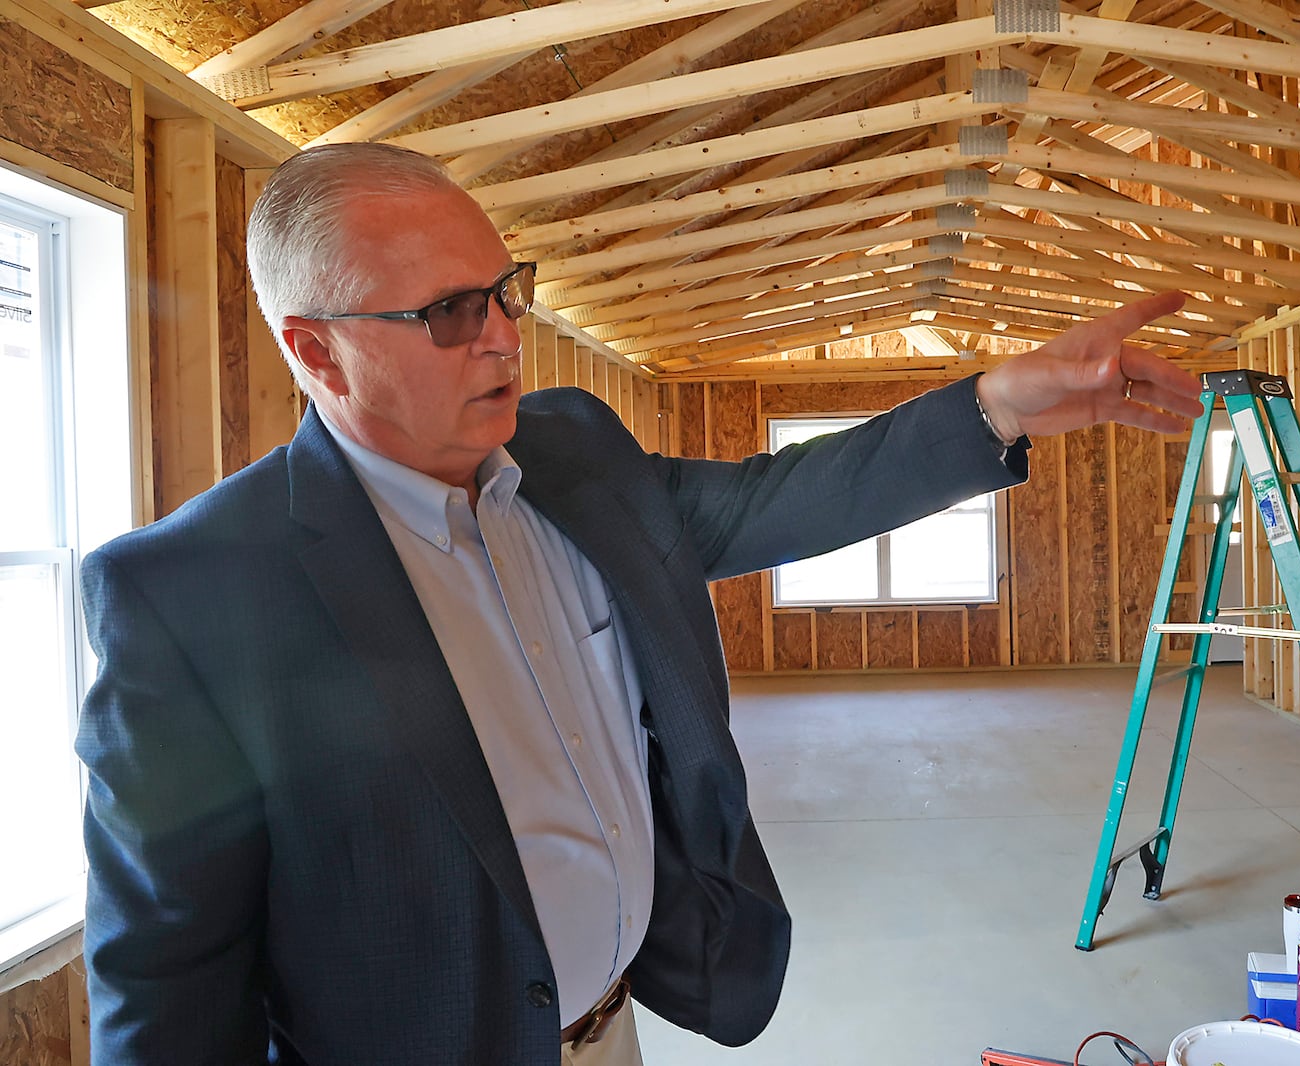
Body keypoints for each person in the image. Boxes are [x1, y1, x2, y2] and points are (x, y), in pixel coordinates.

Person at [74, 142, 1204, 1065]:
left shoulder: (573, 455)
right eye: (451, 314)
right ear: (316, 351)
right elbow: (167, 983)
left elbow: (781, 495)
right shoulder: (194, 593)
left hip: (612, 1029)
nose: (506, 337)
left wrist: (1000, 403)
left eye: (508, 293)